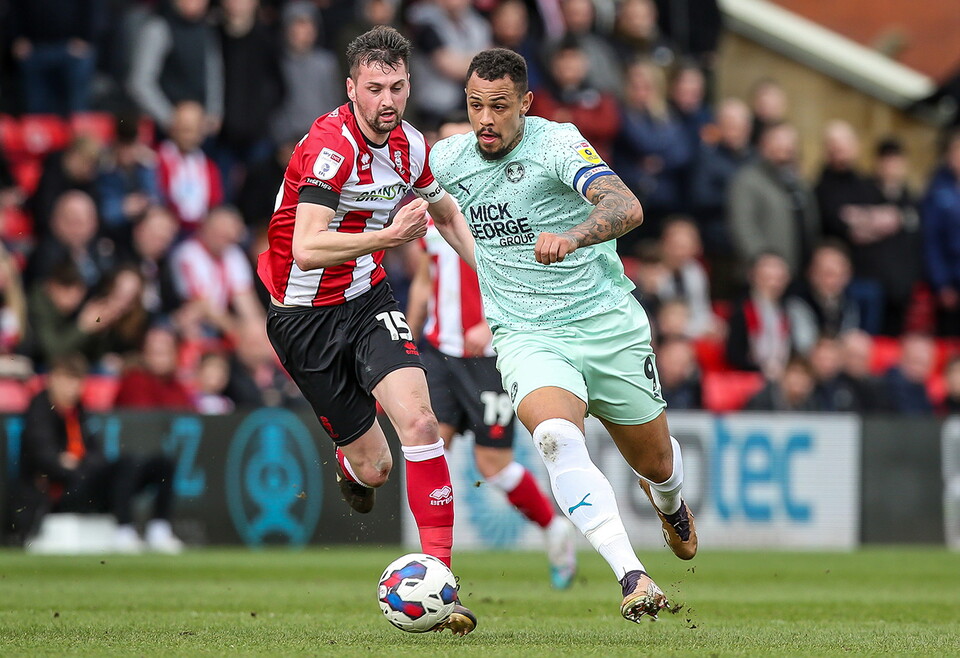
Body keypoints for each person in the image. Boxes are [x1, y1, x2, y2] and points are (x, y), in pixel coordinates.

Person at [429, 48, 697, 623]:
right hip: (527, 333)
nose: (485, 119)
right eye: (475, 106)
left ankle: (670, 501)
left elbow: (627, 205)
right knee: (554, 437)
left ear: (525, 104)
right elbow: (407, 186)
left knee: (655, 466)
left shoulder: (556, 143)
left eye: (499, 107)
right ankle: (633, 576)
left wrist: (572, 237)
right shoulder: (450, 159)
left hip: (604, 324)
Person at [256, 26, 478, 636]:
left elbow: (443, 212)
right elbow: (304, 248)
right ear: (351, 88)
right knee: (376, 467)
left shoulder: (410, 142)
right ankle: (353, 467)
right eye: (375, 88)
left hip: (368, 299)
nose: (388, 100)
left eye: (398, 86)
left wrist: (492, 273)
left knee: (421, 420)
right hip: (303, 318)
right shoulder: (330, 147)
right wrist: (387, 237)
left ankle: (441, 578)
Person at [406, 118, 577, 589]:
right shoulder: (428, 209)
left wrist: (488, 322)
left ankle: (553, 526)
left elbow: (518, 273)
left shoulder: (496, 207)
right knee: (426, 439)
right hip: (440, 351)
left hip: (489, 356)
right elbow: (426, 275)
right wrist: (410, 331)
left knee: (492, 464)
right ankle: (434, 563)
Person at [19, 354, 183, 553]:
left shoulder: (80, 412)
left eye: (78, 381)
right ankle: (124, 529)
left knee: (162, 465)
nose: (73, 388)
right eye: (68, 380)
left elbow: (97, 455)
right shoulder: (40, 411)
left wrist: (77, 464)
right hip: (60, 493)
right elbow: (46, 458)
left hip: (83, 478)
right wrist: (73, 466)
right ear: (53, 380)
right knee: (126, 464)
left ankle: (160, 529)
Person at [114, 325, 195, 410]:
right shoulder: (135, 382)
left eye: (163, 352)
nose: (158, 358)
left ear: (176, 354)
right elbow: (145, 419)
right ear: (144, 354)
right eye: (153, 352)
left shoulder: (177, 387)